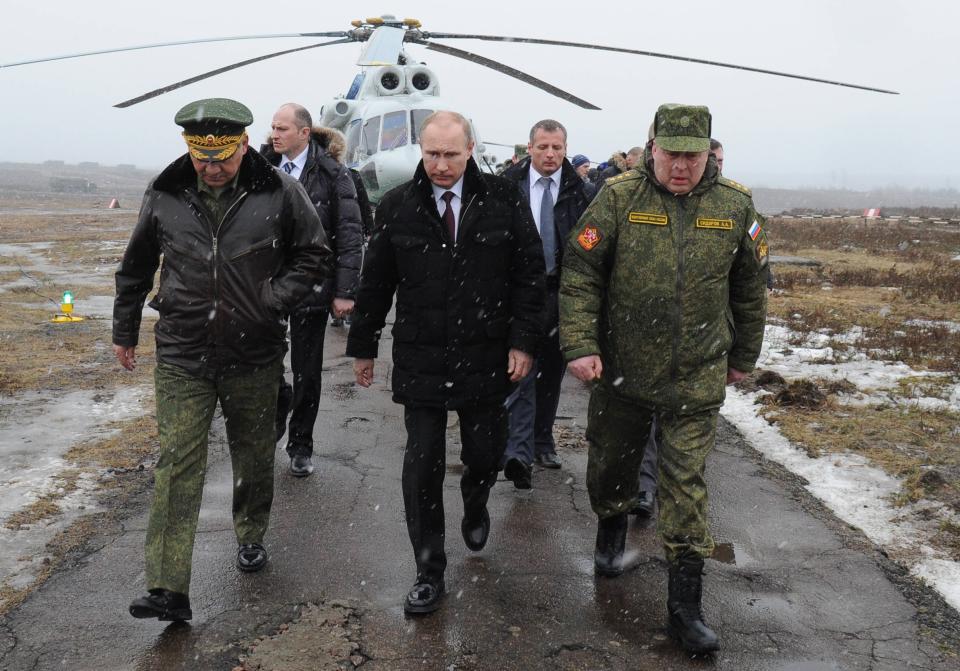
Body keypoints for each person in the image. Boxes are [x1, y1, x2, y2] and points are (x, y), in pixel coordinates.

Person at [560, 103, 768, 653]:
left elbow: (750, 289)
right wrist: (581, 345)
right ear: (652, 148)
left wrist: (743, 353)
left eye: (692, 156)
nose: (681, 166)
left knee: (685, 488)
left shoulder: (735, 205)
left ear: (708, 152)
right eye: (671, 154)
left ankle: (685, 610)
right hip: (623, 368)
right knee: (611, 466)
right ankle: (610, 529)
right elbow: (580, 274)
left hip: (695, 375)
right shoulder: (619, 198)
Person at [114, 98, 332, 622]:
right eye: (201, 158)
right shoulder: (166, 193)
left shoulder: (280, 191)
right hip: (182, 351)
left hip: (253, 352)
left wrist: (272, 300)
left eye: (222, 158)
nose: (211, 168)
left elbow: (314, 253)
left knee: (253, 454)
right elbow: (138, 263)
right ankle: (168, 587)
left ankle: (251, 531)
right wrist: (124, 329)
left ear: (242, 145)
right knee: (177, 463)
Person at [347, 111, 545, 615]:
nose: (440, 164)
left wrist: (523, 342)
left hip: (486, 355)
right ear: (421, 149)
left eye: (450, 154)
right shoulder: (397, 206)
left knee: (485, 453)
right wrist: (364, 346)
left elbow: (529, 276)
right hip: (423, 357)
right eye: (431, 153)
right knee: (422, 464)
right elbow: (375, 285)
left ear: (471, 148)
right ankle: (428, 570)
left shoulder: (503, 200)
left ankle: (476, 499)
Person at [262, 103, 363, 477]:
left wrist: (345, 290)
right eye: (273, 127)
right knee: (266, 363)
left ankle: (301, 444)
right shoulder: (261, 172)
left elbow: (351, 236)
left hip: (312, 285)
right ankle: (276, 408)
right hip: (267, 287)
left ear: (305, 133)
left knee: (308, 370)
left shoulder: (334, 175)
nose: (275, 134)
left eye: (283, 128)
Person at [499, 120, 593, 489]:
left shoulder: (579, 191)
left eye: (556, 147)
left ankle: (541, 440)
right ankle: (517, 449)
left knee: (551, 370)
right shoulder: (508, 186)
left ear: (565, 148)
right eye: (543, 147)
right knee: (519, 366)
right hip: (518, 290)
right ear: (530, 148)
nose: (550, 154)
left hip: (560, 291)